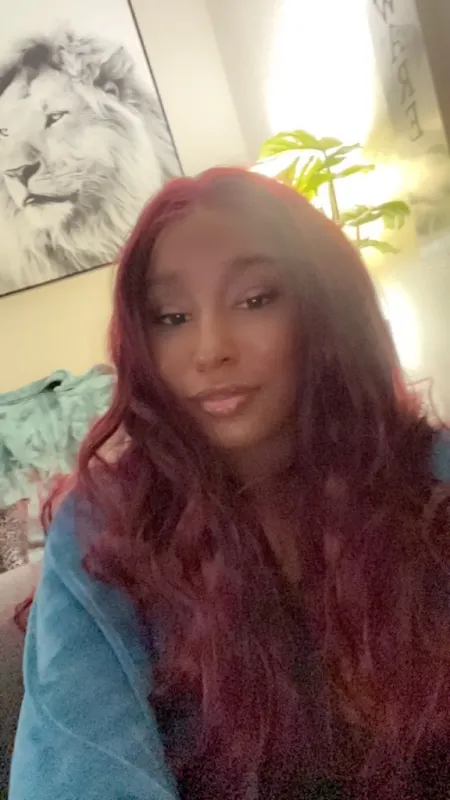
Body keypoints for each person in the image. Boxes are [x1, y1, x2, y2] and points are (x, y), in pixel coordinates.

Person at [9, 168, 450, 800]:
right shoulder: (101, 535)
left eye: (255, 300)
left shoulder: (429, 479)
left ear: (324, 307)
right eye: (172, 316)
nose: (210, 349)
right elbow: (78, 766)